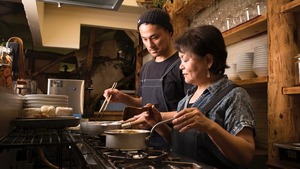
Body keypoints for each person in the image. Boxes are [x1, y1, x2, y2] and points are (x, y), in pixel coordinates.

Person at [139, 25, 256, 169]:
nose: (180, 66)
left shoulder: (234, 96)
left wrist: (210, 126)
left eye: (185, 60)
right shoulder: (186, 99)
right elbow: (179, 146)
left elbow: (246, 155)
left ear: (208, 61)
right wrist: (158, 124)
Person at [103, 8, 191, 149]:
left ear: (169, 33)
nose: (150, 45)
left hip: (177, 142)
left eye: (155, 37)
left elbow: (193, 111)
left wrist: (155, 118)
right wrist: (122, 97)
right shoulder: (146, 68)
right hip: (147, 141)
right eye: (145, 39)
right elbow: (143, 103)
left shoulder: (183, 65)